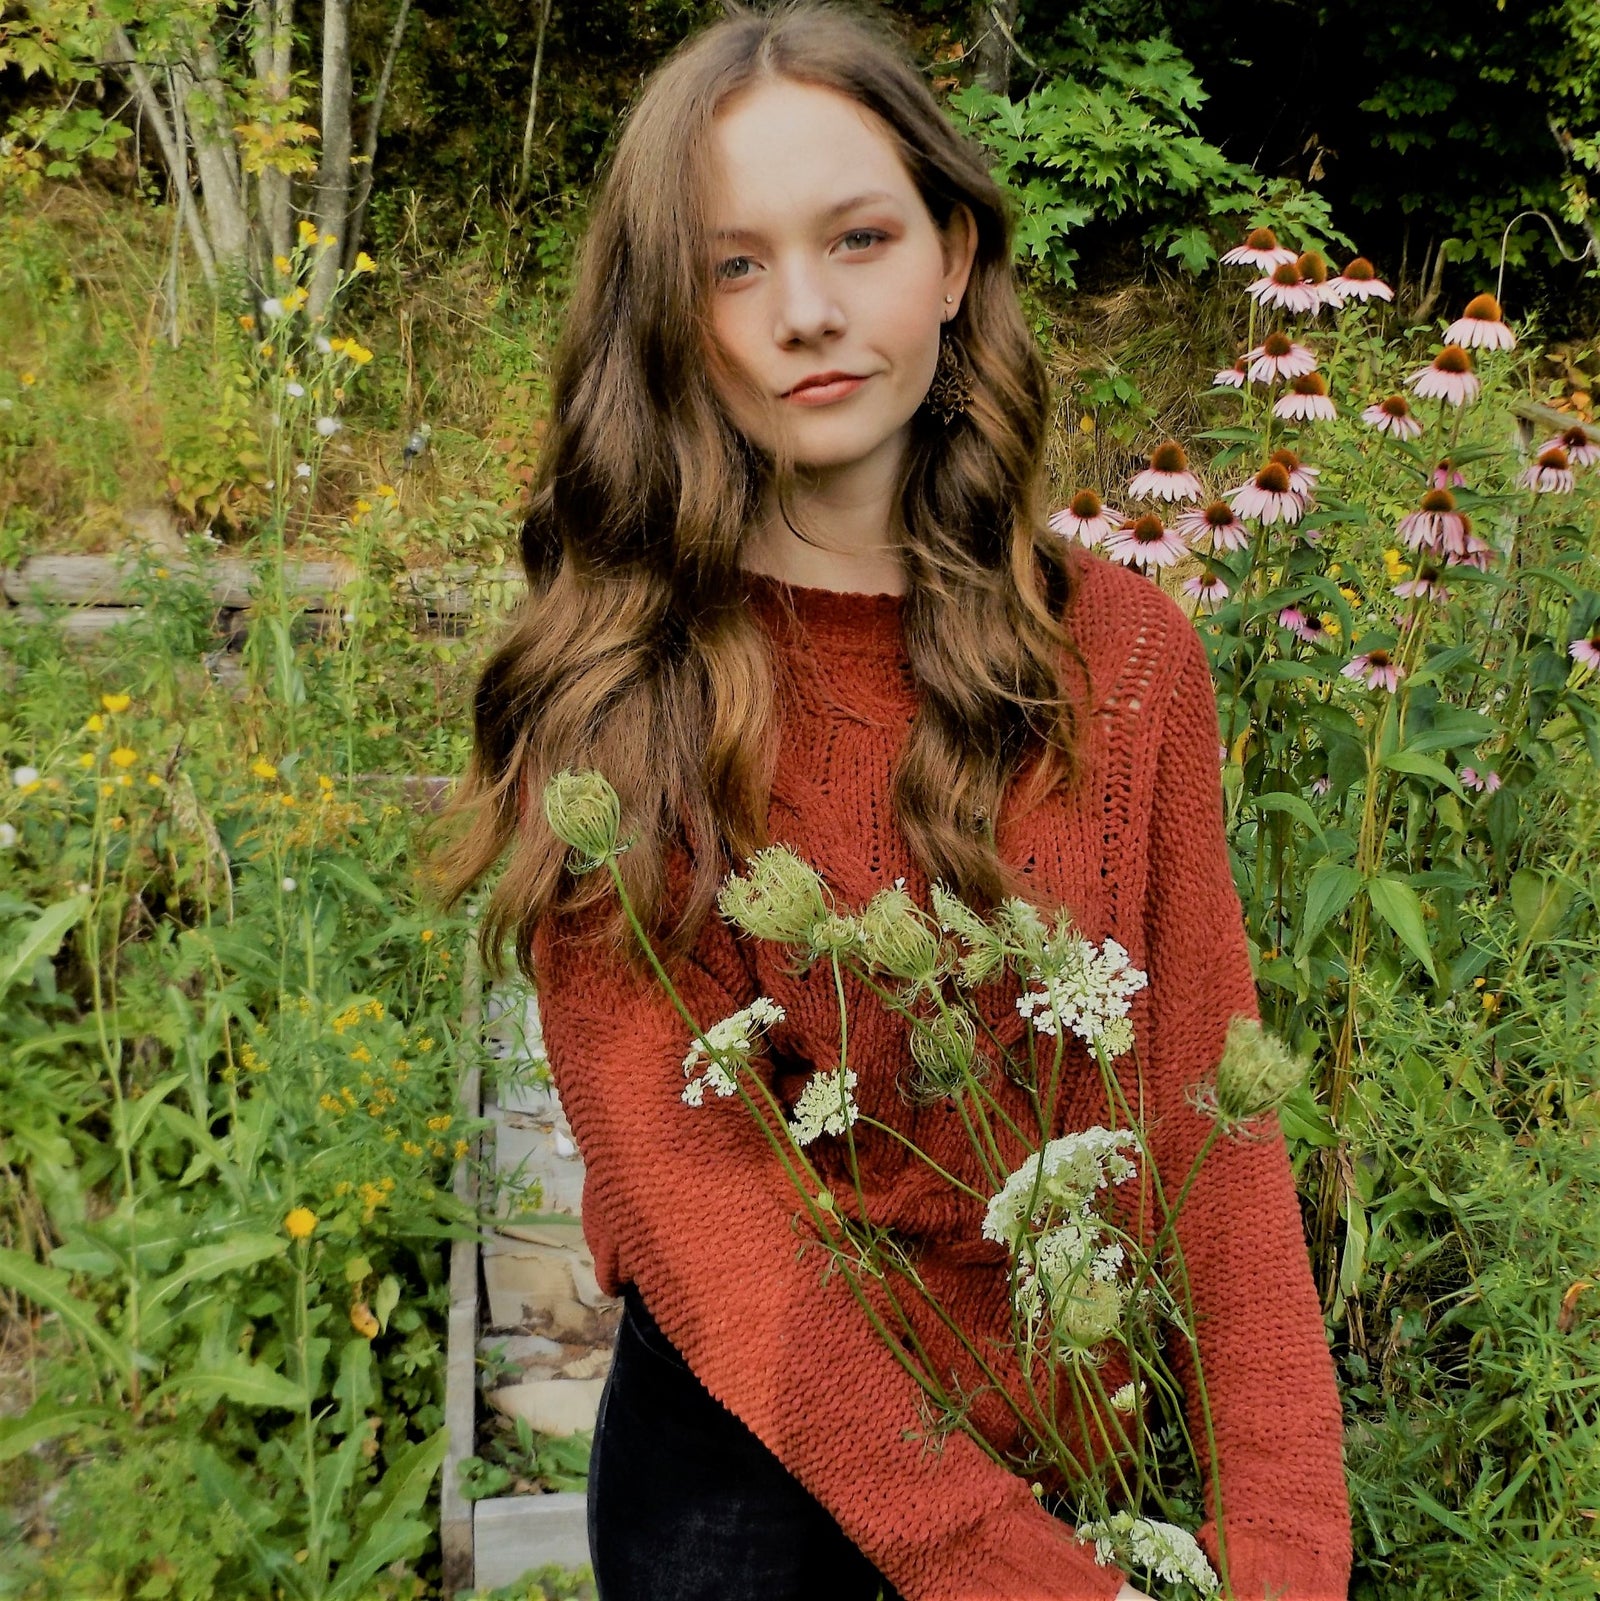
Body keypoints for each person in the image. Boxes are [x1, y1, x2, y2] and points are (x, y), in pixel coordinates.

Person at [435, 3, 1352, 1597]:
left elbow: (1225, 1121)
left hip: (1090, 1439)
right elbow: (702, 1217)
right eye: (733, 265)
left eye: (857, 237)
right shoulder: (618, 690)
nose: (804, 310)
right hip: (753, 1482)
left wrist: (1283, 1550)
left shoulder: (1124, 660)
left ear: (951, 257)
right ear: (671, 312)